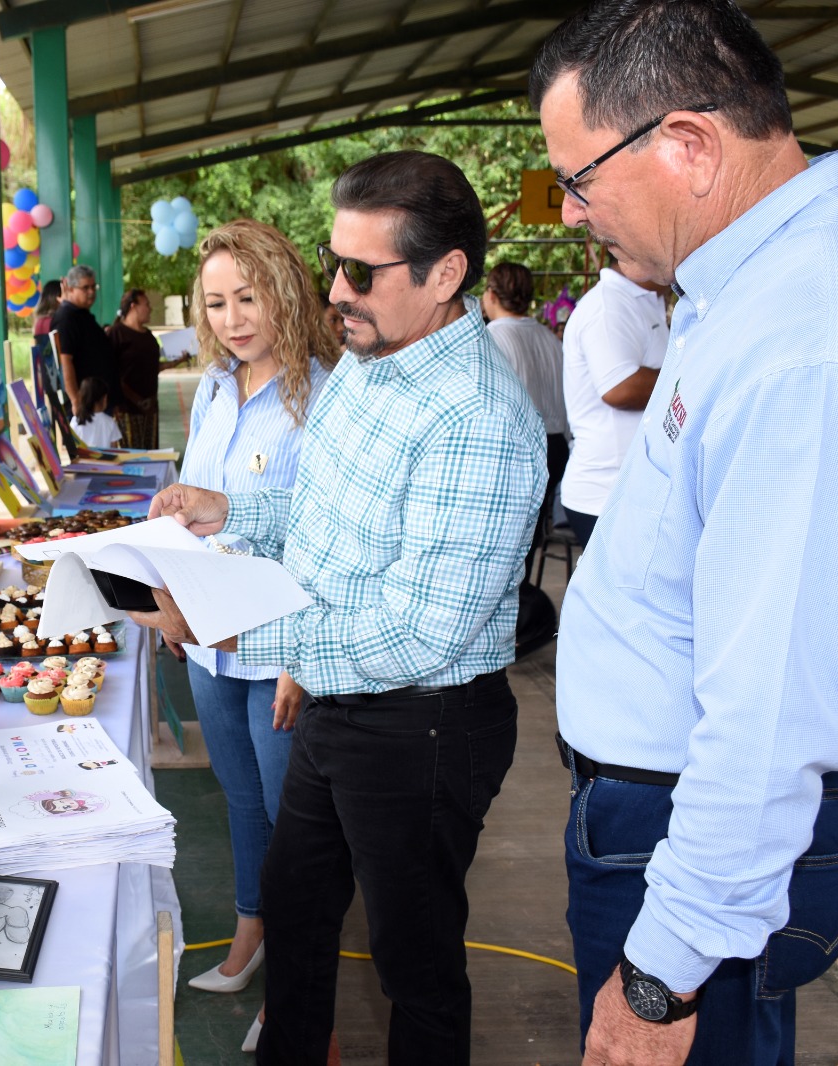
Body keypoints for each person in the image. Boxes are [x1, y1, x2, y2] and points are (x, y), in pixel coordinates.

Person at [533, 3, 838, 1063]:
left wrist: (661, 975)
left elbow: (767, 713)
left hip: (686, 847)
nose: (570, 214)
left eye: (577, 180)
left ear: (688, 147)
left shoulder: (806, 338)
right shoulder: (747, 291)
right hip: (668, 825)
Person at [133, 151, 546, 1065]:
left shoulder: (474, 416)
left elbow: (418, 631)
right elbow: (318, 508)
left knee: (415, 964)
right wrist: (229, 509)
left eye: (362, 272)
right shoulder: (367, 363)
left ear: (447, 275)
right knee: (298, 906)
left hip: (422, 724)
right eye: (334, 262)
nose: (337, 290)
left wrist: (231, 624)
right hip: (337, 695)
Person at [173, 222, 339, 1037]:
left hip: (282, 644)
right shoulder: (212, 387)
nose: (234, 317)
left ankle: (298, 989)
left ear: (285, 290)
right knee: (241, 799)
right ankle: (250, 934)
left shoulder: (326, 392)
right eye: (217, 302)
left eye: (248, 296)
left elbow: (327, 534)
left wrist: (301, 658)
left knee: (294, 819)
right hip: (209, 638)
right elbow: (194, 496)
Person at [557, 260, 667, 549]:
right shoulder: (608, 305)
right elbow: (620, 388)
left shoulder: (642, 300)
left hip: (631, 489)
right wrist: (687, 376)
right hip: (606, 493)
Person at [481, 262, 568, 572]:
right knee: (526, 545)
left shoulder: (489, 339)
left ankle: (518, 612)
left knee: (500, 549)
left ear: (490, 294)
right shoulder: (549, 339)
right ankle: (527, 607)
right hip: (556, 445)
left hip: (516, 449)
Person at [50, 265, 116, 419]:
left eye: (94, 287)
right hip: (85, 405)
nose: (91, 292)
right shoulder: (66, 318)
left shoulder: (81, 314)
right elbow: (65, 361)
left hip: (98, 400)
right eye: (85, 288)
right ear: (71, 289)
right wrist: (75, 400)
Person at [107, 289, 165, 449]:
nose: (150, 308)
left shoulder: (148, 335)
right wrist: (135, 399)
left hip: (150, 407)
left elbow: (153, 366)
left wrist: (178, 361)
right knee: (132, 455)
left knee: (151, 453)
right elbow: (112, 372)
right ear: (133, 306)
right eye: (146, 304)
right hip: (127, 408)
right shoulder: (117, 333)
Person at [71, 378, 121, 449]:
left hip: (82, 459)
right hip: (104, 460)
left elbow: (72, 445)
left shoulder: (75, 420)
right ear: (104, 398)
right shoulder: (110, 422)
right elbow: (114, 448)